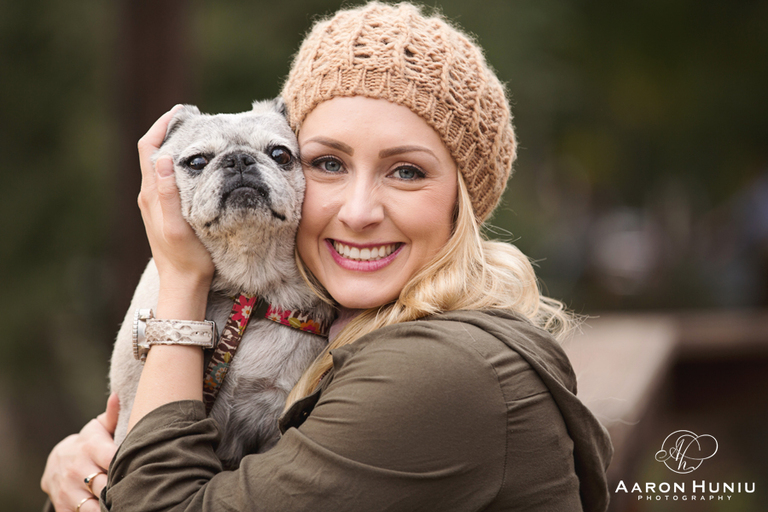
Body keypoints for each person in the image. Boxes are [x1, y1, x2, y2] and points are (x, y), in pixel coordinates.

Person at [41, 2, 613, 511]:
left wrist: (181, 279)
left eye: (406, 171)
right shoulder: (343, 330)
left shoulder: (444, 372)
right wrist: (82, 466)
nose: (359, 211)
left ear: (462, 204)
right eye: (329, 164)